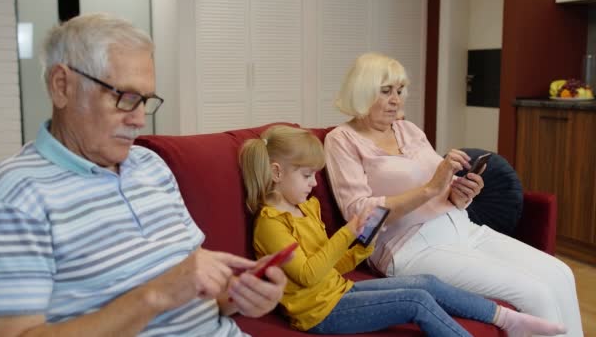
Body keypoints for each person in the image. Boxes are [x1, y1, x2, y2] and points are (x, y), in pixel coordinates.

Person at [0, 13, 286, 337]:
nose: (140, 120)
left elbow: (199, 297)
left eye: (145, 101)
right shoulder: (15, 195)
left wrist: (241, 296)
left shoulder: (151, 167)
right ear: (63, 86)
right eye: (126, 98)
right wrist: (153, 296)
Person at [324, 52, 583, 336]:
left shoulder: (408, 130)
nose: (397, 100)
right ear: (361, 91)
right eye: (386, 91)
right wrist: (430, 190)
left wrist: (459, 195)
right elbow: (359, 219)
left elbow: (440, 187)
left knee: (560, 274)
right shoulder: (342, 140)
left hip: (461, 226)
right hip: (409, 247)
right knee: (536, 294)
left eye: (399, 90)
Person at [239, 125, 566, 336]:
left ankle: (508, 320)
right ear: (277, 173)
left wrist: (364, 245)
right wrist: (348, 232)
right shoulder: (270, 225)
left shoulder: (305, 207)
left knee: (427, 284)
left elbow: (332, 267)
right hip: (318, 314)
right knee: (416, 302)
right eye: (307, 175)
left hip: (337, 292)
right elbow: (309, 276)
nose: (314, 184)